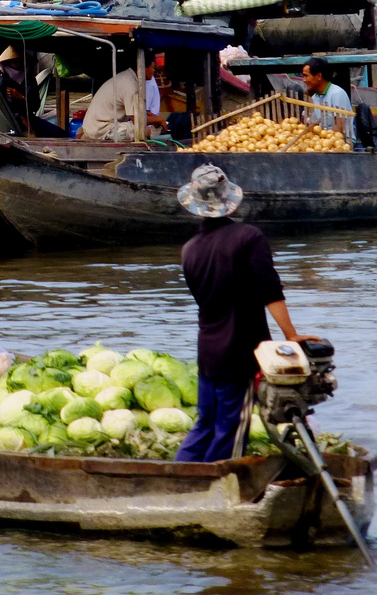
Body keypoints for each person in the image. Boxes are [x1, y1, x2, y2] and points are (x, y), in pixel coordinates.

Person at [172, 164, 313, 463]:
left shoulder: (189, 250)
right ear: (229, 200)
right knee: (231, 429)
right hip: (240, 349)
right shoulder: (249, 237)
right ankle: (214, 490)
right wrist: (291, 336)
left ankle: (179, 480)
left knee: (205, 425)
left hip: (208, 350)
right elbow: (269, 289)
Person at [79, 63, 165, 140]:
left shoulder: (127, 77)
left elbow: (141, 113)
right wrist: (160, 120)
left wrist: (154, 119)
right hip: (101, 128)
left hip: (94, 126)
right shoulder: (130, 85)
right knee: (145, 131)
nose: (154, 71)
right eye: (153, 68)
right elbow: (137, 120)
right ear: (144, 67)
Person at [300, 56, 351, 133]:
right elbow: (308, 123)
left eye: (306, 76)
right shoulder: (314, 97)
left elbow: (340, 127)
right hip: (321, 141)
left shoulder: (337, 94)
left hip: (341, 141)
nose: (304, 80)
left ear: (319, 76)